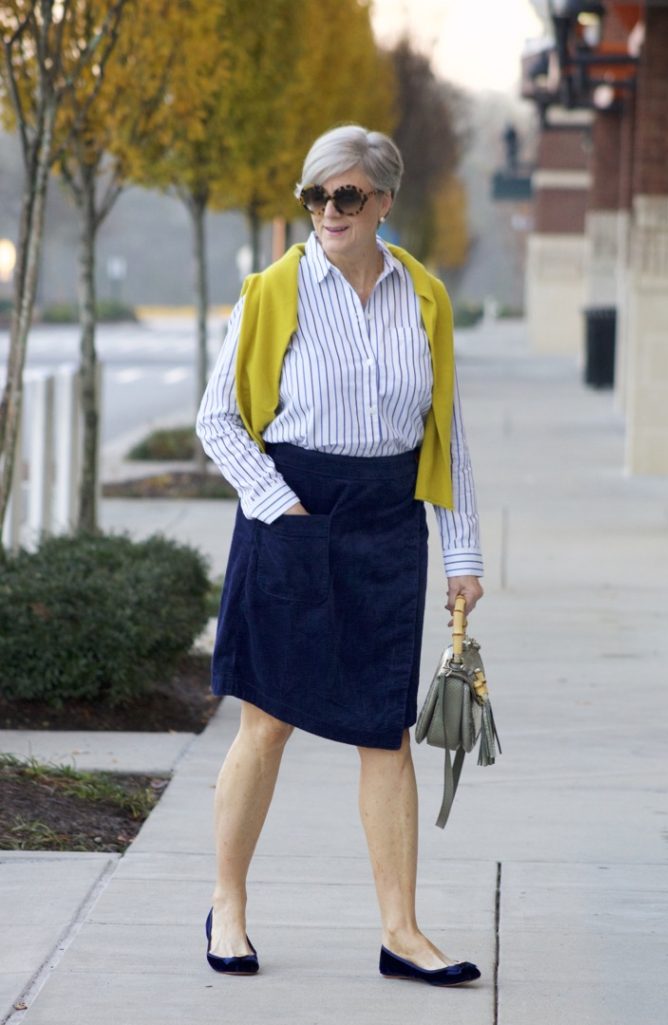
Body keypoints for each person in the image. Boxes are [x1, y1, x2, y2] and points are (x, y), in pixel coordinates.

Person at [196, 124, 484, 987]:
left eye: (347, 196)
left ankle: (400, 931)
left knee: (383, 733)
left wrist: (461, 551)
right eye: (315, 196)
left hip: (386, 524)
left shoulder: (423, 298)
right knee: (266, 721)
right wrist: (280, 505)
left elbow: (447, 436)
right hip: (293, 515)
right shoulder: (271, 293)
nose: (328, 211)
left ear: (383, 202)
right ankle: (228, 903)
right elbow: (218, 419)